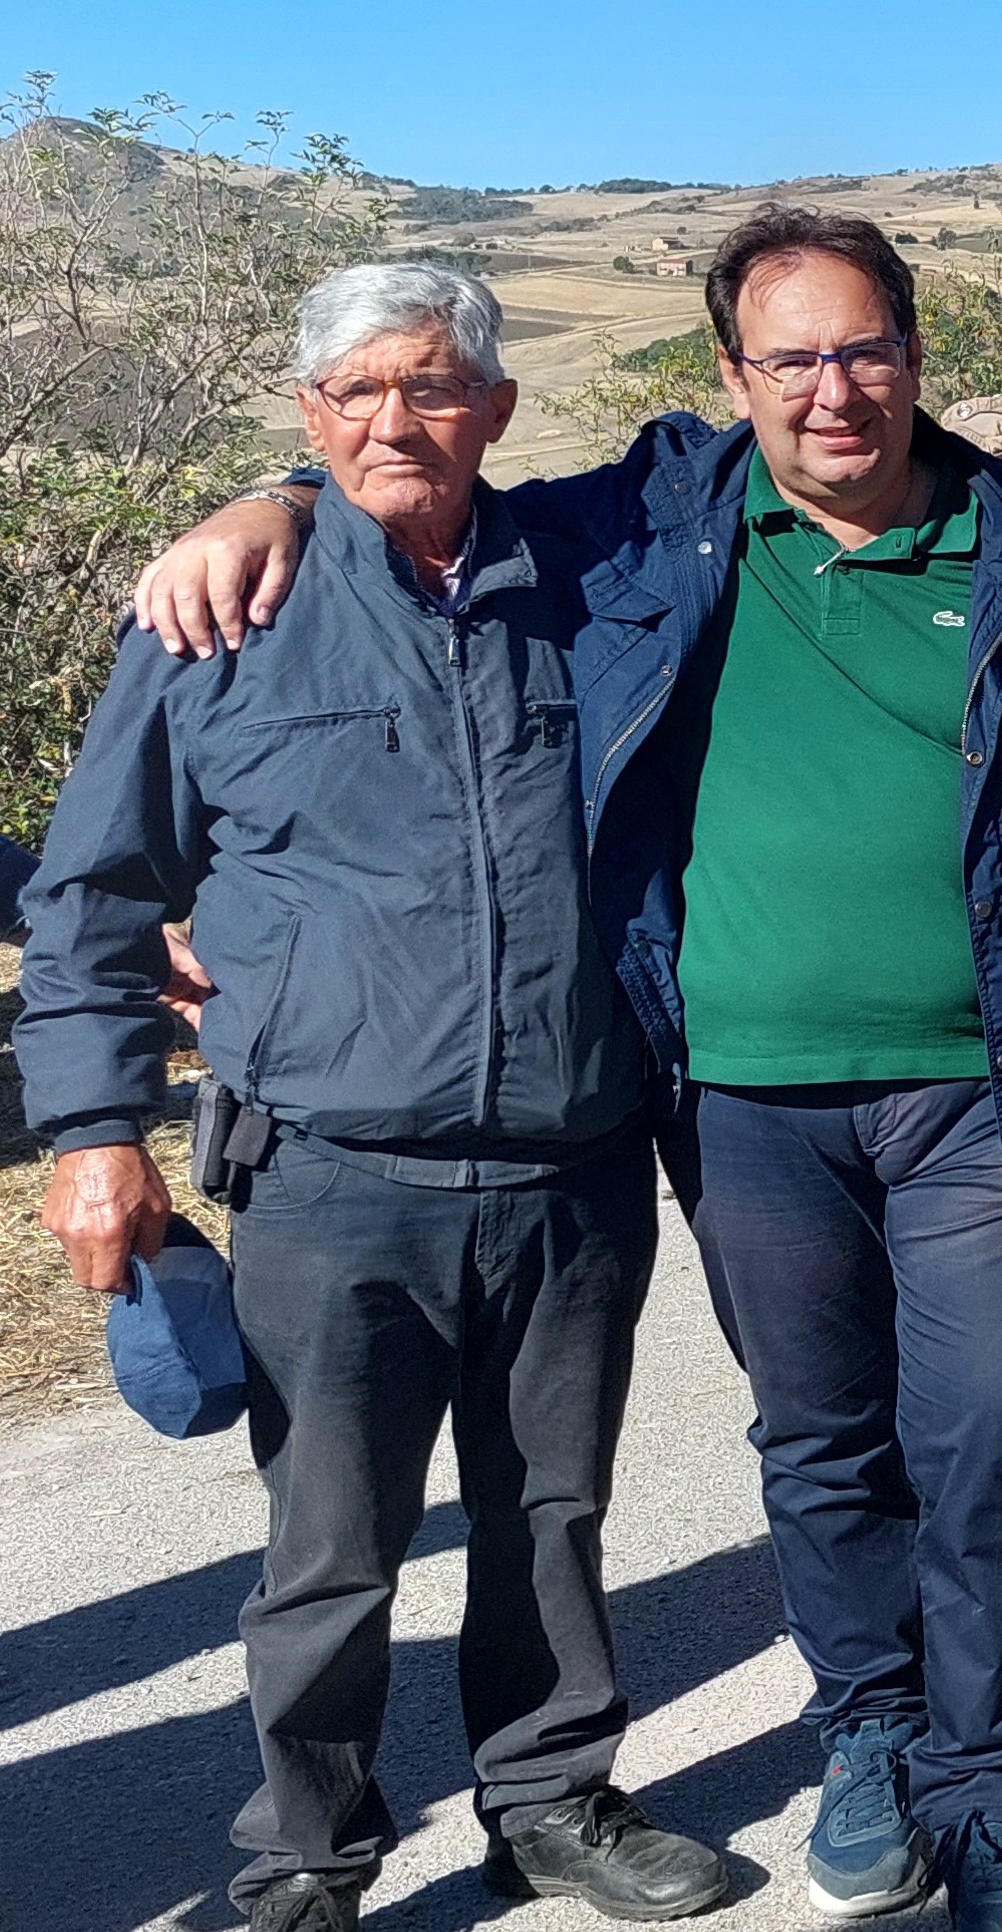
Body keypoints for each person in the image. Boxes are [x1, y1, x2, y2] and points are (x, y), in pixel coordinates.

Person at [135, 206, 1002, 1932]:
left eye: (864, 349)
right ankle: (865, 1729)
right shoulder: (656, 526)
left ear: (917, 355)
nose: (833, 390)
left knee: (997, 1423)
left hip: (991, 1082)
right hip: (740, 1090)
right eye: (792, 359)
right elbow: (418, 473)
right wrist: (279, 498)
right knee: (822, 1438)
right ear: (732, 377)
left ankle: (986, 1782)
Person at [22, 264, 727, 1932]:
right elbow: (90, 893)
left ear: (492, 403)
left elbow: (714, 445)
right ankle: (309, 1853)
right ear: (307, 413)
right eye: (351, 395)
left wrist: (263, 492)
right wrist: (91, 1128)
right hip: (331, 1172)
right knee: (327, 1549)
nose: (391, 421)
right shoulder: (216, 616)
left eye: (428, 385)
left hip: (570, 1157)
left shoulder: (597, 577)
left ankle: (550, 1800)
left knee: (548, 1512)